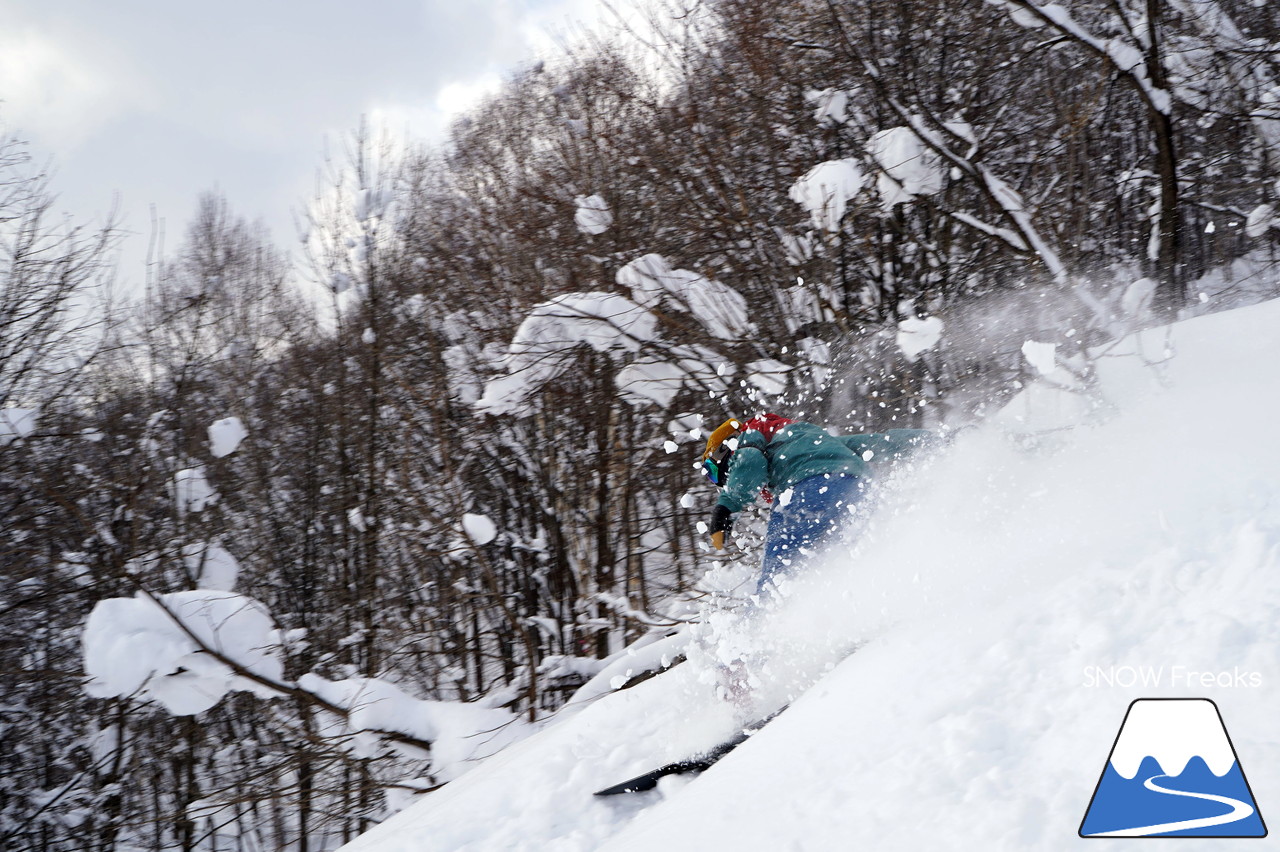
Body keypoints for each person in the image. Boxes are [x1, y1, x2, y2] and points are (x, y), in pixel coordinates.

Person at [700, 413, 931, 594]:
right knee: (841, 557)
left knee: (780, 572)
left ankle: (761, 637)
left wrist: (726, 506)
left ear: (725, 451)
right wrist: (933, 442)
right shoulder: (809, 439)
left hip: (808, 487)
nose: (718, 481)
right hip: (857, 486)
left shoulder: (749, 438)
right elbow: (875, 444)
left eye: (712, 472)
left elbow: (749, 464)